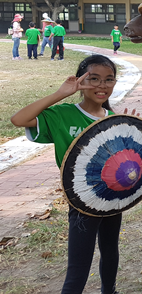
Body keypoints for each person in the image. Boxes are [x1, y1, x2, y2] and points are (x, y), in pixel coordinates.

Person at [11, 55, 133, 294]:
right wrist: (61, 93)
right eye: (94, 79)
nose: (102, 85)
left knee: (110, 250)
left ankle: (110, 291)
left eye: (109, 80)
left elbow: (124, 164)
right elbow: (19, 119)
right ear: (81, 81)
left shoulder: (114, 120)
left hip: (112, 198)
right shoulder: (62, 115)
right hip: (81, 202)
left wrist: (131, 131)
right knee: (79, 266)